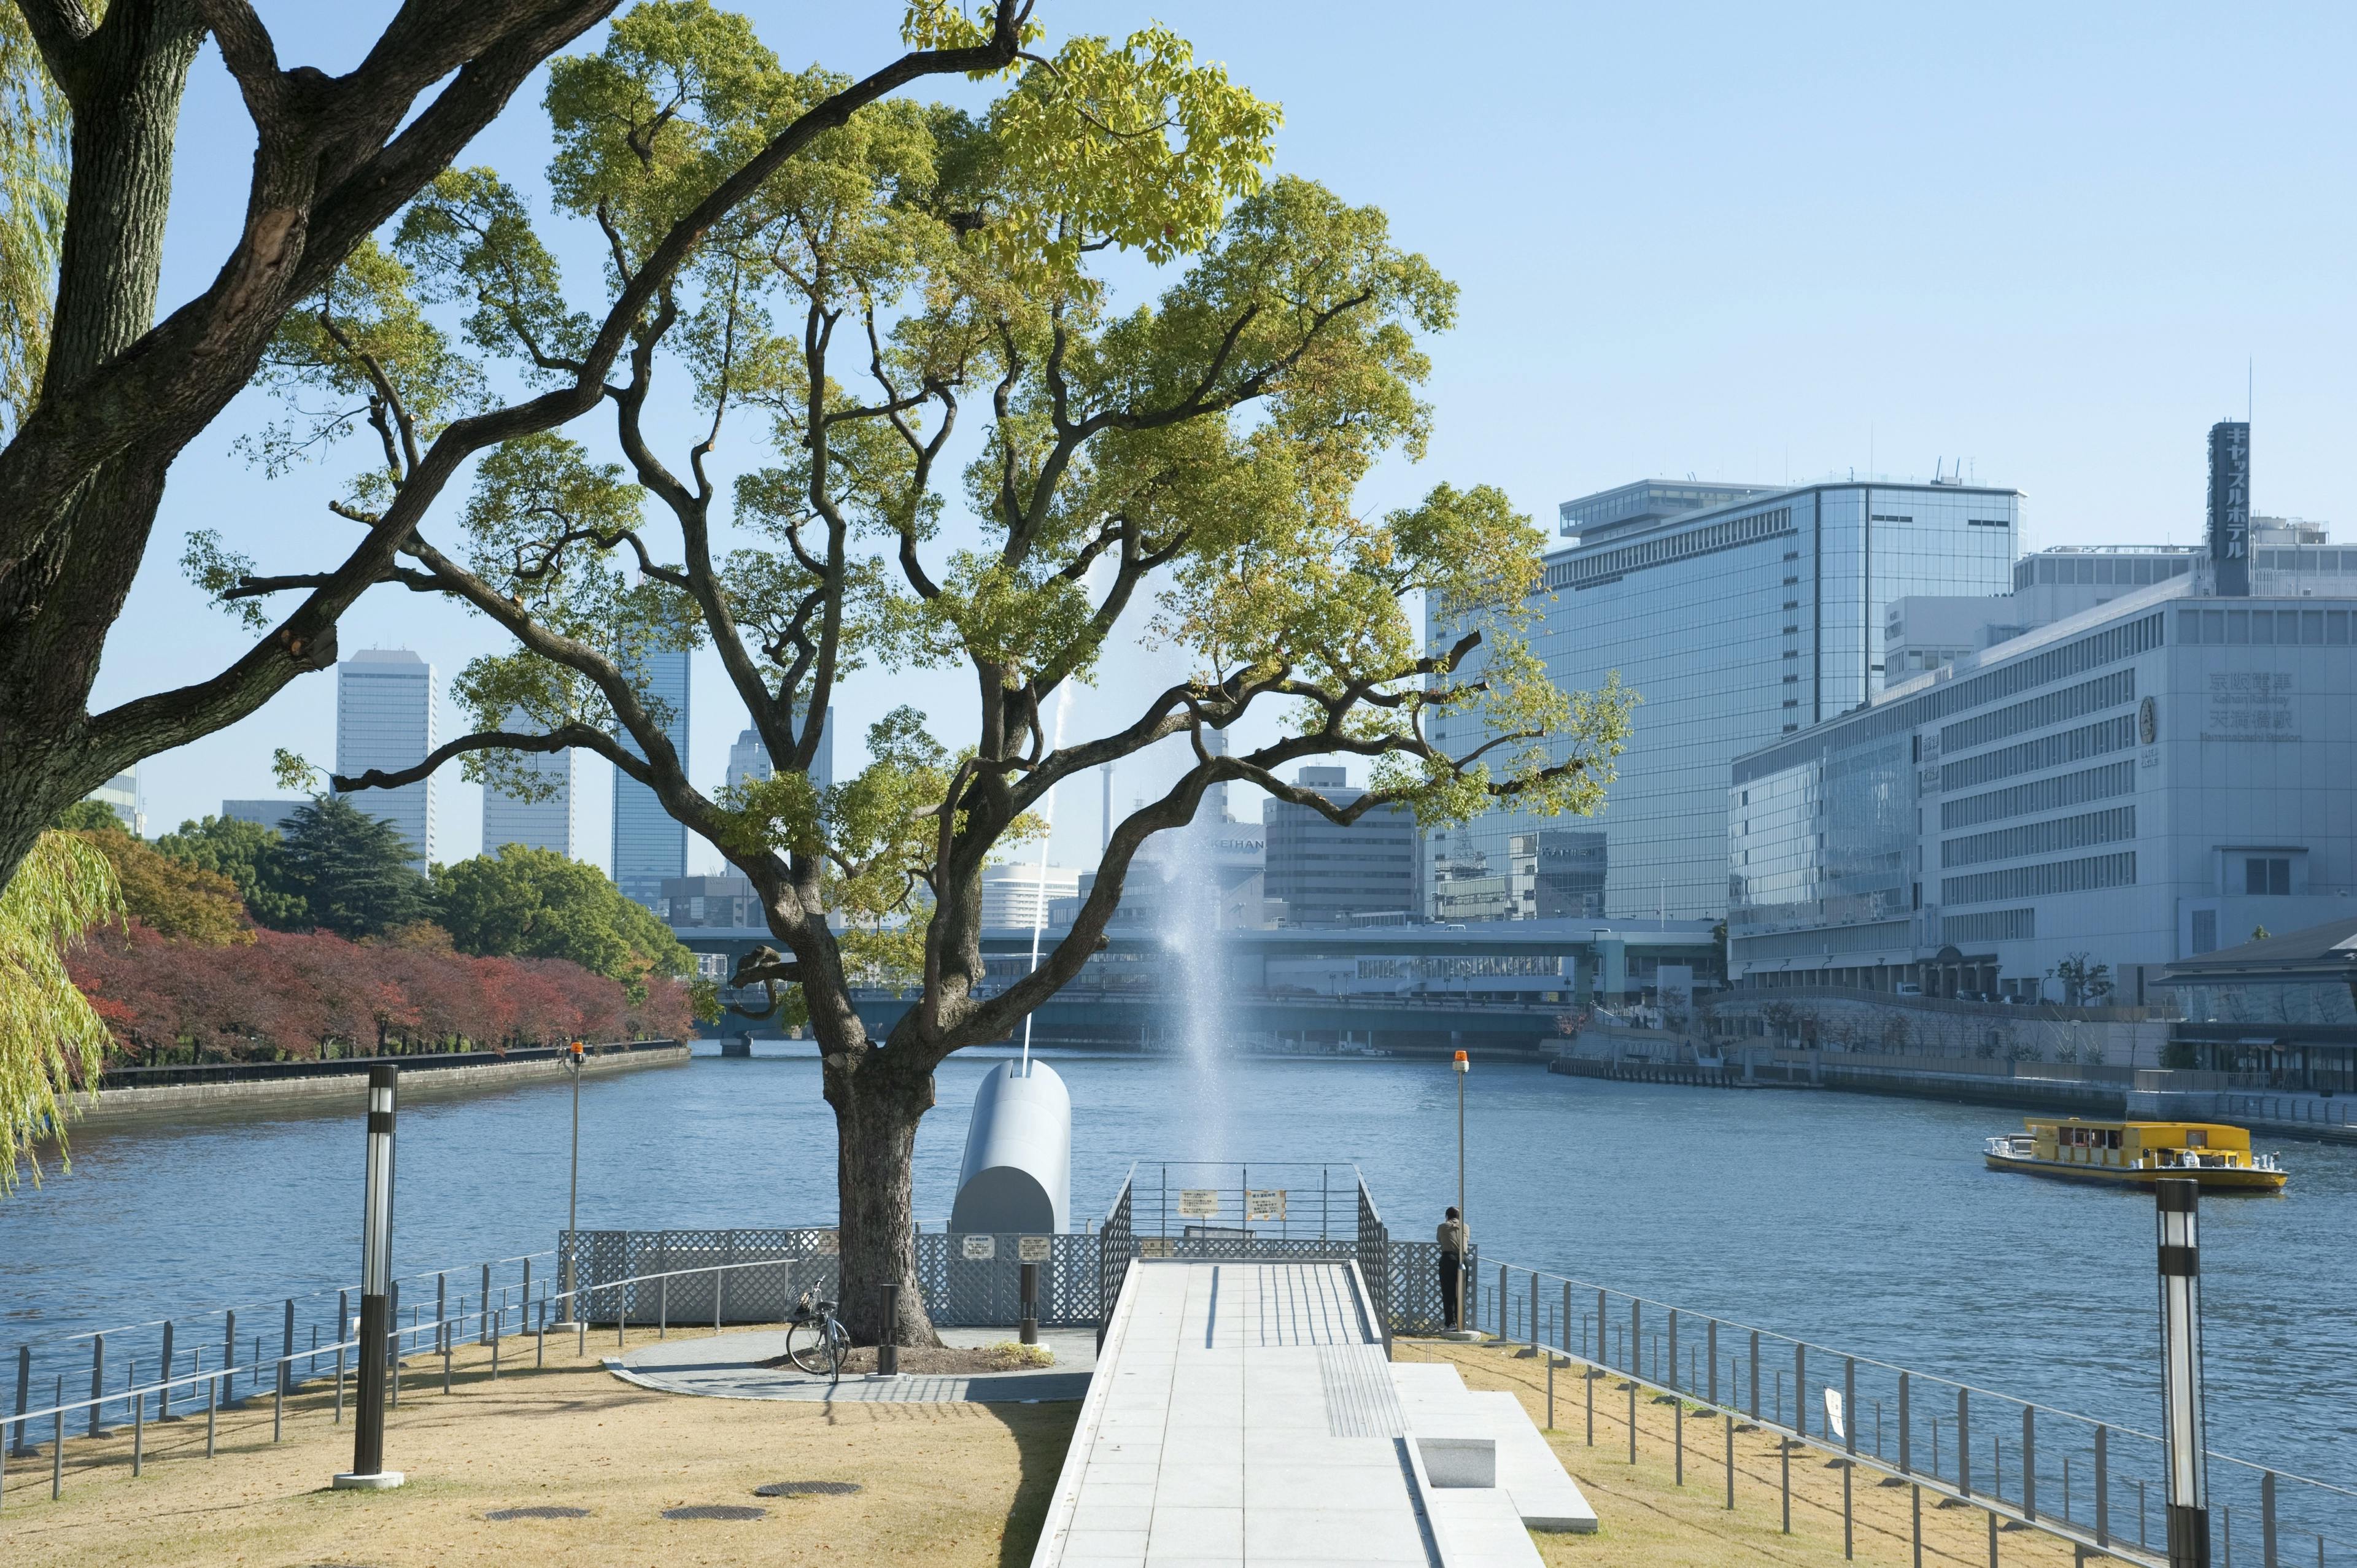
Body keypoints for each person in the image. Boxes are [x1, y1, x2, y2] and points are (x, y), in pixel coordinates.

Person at [1436, 1206, 1468, 1331]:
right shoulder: (1465, 1227)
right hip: (1463, 1260)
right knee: (1462, 1292)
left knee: (1448, 1292)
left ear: (1447, 1216)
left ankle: (1451, 1323)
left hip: (1448, 1259)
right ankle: (1461, 1321)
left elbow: (1439, 1239)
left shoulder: (1442, 1227)